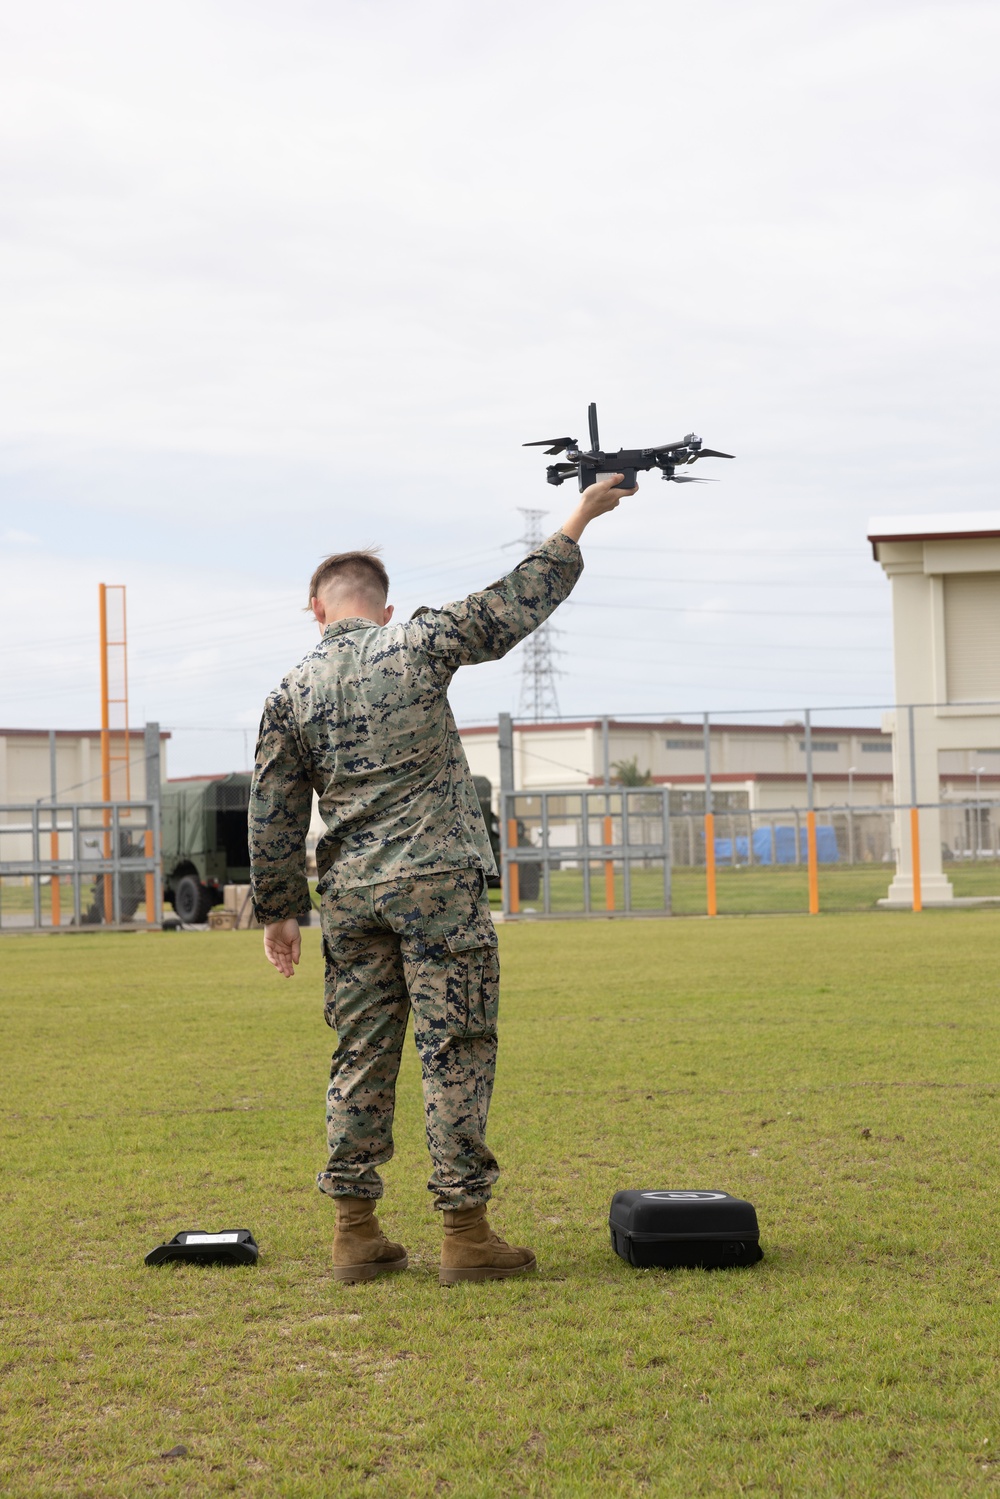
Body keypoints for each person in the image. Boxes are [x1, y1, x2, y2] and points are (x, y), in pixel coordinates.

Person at [249, 472, 634, 1284]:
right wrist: (582, 515)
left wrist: (278, 913)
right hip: (437, 885)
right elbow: (511, 603)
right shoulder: (416, 641)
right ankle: (465, 1233)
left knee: (360, 1050)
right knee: (454, 1047)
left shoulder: (289, 692)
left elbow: (273, 812)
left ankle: (355, 1231)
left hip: (351, 896)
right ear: (383, 607)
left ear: (315, 609)